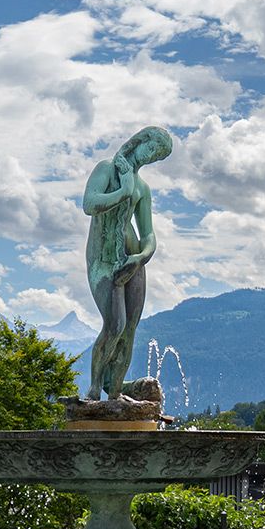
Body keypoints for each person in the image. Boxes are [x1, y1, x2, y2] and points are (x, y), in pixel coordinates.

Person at [83, 126, 172, 401]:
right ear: (140, 141)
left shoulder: (143, 188)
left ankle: (116, 390)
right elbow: (89, 204)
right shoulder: (107, 170)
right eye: (153, 149)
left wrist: (142, 256)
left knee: (130, 328)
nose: (152, 157)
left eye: (158, 156)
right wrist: (122, 192)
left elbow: (148, 233)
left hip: (133, 261)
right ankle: (95, 389)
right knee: (115, 325)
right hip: (104, 259)